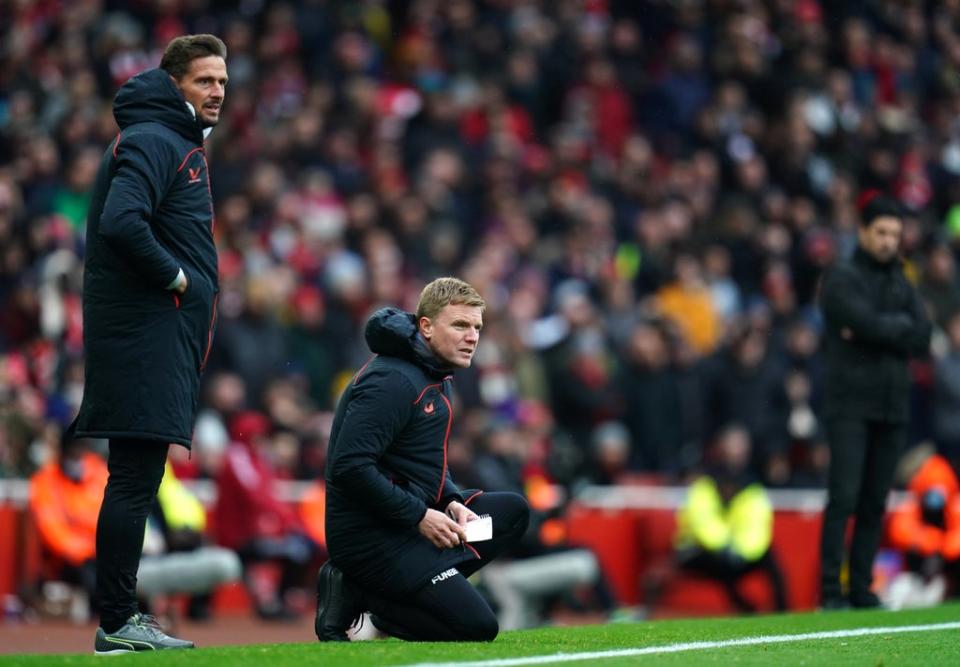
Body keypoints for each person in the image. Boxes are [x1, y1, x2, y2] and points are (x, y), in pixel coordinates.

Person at [66, 34, 228, 653]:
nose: (217, 92)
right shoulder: (157, 139)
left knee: (135, 477)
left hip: (149, 336)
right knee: (133, 480)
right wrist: (179, 278)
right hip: (144, 337)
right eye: (204, 81)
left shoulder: (167, 138)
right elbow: (122, 221)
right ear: (174, 84)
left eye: (222, 82)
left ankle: (121, 619)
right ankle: (118, 621)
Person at [316, 277, 531, 642]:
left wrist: (451, 500)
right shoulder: (392, 381)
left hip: (410, 527)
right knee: (478, 628)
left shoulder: (435, 372)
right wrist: (418, 516)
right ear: (426, 327)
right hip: (374, 540)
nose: (472, 337)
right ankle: (361, 592)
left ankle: (414, 588)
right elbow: (349, 467)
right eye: (460, 325)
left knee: (510, 514)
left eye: (477, 327)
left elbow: (421, 461)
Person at [818, 192, 932, 609]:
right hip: (850, 403)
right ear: (863, 231)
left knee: (874, 501)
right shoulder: (842, 278)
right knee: (844, 496)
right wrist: (894, 329)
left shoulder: (901, 281)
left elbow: (922, 334)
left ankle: (861, 588)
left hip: (891, 405)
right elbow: (863, 321)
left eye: (895, 234)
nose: (888, 241)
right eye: (881, 232)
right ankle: (831, 591)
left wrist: (879, 331)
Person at [670, 424, 788, 613]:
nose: (737, 451)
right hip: (697, 550)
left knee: (769, 556)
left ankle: (783, 611)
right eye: (733, 445)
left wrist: (740, 551)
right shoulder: (705, 480)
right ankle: (746, 609)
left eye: (741, 446)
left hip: (734, 549)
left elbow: (756, 524)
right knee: (720, 562)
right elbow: (701, 520)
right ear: (720, 447)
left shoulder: (750, 483)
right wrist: (725, 547)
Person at [886, 453, 960, 607]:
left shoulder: (954, 504)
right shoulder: (913, 502)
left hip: (948, 563)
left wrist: (943, 547)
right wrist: (929, 541)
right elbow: (899, 531)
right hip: (921, 564)